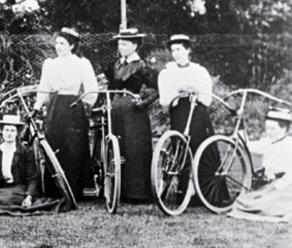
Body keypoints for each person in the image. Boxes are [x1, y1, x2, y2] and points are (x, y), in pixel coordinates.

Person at [33, 28, 98, 200]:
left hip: (74, 107)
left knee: (73, 148)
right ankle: (54, 190)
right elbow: (44, 88)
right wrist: (37, 106)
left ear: (72, 45)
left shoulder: (81, 63)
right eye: (57, 43)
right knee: (54, 144)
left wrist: (86, 105)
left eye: (62, 43)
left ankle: (74, 189)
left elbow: (92, 89)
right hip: (55, 107)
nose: (58, 47)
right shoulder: (50, 64)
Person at [157, 34, 218, 202]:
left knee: (200, 147)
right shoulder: (167, 72)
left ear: (188, 50)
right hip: (180, 113)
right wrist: (179, 91)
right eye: (173, 50)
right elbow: (164, 99)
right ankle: (184, 193)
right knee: (182, 148)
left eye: (179, 49)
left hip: (198, 113)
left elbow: (207, 97)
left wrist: (195, 91)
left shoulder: (199, 71)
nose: (176, 53)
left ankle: (205, 193)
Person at [0, 115, 65, 215]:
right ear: (2, 131)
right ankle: (3, 204)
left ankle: (0, 204)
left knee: (8, 198)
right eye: (7, 130)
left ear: (17, 133)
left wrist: (29, 197)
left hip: (20, 189)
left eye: (12, 131)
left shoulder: (25, 151)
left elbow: (32, 178)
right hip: (3, 189)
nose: (9, 134)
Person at [104, 28, 159, 202]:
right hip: (117, 110)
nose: (121, 47)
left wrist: (142, 102)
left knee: (134, 150)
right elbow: (111, 87)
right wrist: (108, 103)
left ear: (135, 45)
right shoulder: (117, 64)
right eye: (120, 44)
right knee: (119, 148)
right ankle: (119, 191)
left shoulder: (141, 65)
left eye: (125, 44)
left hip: (134, 114)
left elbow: (157, 89)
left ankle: (137, 193)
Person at [228, 108, 292, 222]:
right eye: (267, 128)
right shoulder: (267, 142)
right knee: (244, 200)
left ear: (285, 129)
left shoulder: (289, 145)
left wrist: (268, 190)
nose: (269, 132)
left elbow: (288, 177)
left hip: (286, 186)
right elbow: (247, 145)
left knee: (265, 203)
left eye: (273, 128)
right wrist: (241, 124)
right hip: (271, 183)